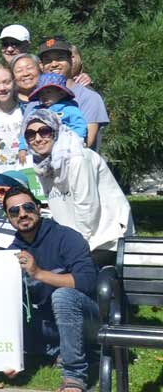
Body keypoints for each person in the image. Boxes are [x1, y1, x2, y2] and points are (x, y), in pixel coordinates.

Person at [3, 186, 99, 392]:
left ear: (38, 208)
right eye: (14, 211)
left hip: (88, 318)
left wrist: (38, 273)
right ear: (8, 218)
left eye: (28, 207)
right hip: (47, 325)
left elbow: (88, 282)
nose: (22, 214)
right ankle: (47, 353)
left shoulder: (67, 237)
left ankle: (74, 376)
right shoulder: (11, 249)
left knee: (63, 296)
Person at [23, 109, 132, 267]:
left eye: (44, 131)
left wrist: (75, 250)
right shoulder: (42, 165)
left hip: (105, 241)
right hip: (76, 242)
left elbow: (87, 207)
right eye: (30, 134)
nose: (37, 139)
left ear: (56, 132)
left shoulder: (77, 158)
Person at [35, 37, 109, 148]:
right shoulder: (34, 100)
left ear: (71, 60)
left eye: (60, 58)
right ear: (41, 66)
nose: (54, 64)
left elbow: (86, 143)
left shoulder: (89, 97)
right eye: (48, 60)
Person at [0, 65, 28, 172]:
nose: (2, 88)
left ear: (14, 83)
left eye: (6, 82)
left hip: (29, 178)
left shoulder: (28, 112)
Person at [25, 73, 88, 141]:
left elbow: (79, 127)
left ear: (61, 94)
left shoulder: (70, 109)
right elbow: (26, 129)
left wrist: (73, 141)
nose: (44, 96)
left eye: (48, 92)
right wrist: (23, 147)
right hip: (39, 144)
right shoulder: (36, 111)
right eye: (41, 93)